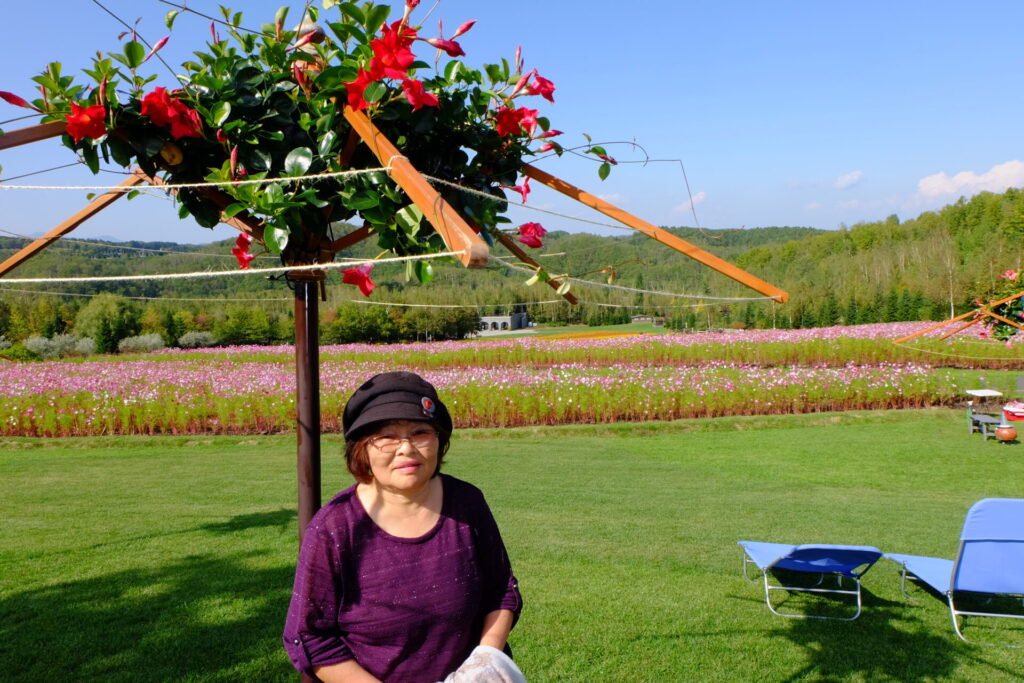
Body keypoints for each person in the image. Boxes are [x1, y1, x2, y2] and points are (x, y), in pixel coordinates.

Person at [283, 371, 523, 682]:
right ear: (362, 449)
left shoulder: (467, 503)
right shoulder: (334, 529)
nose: (406, 449)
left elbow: (501, 590)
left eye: (420, 432)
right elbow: (311, 638)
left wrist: (485, 662)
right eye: (386, 437)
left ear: (439, 440)